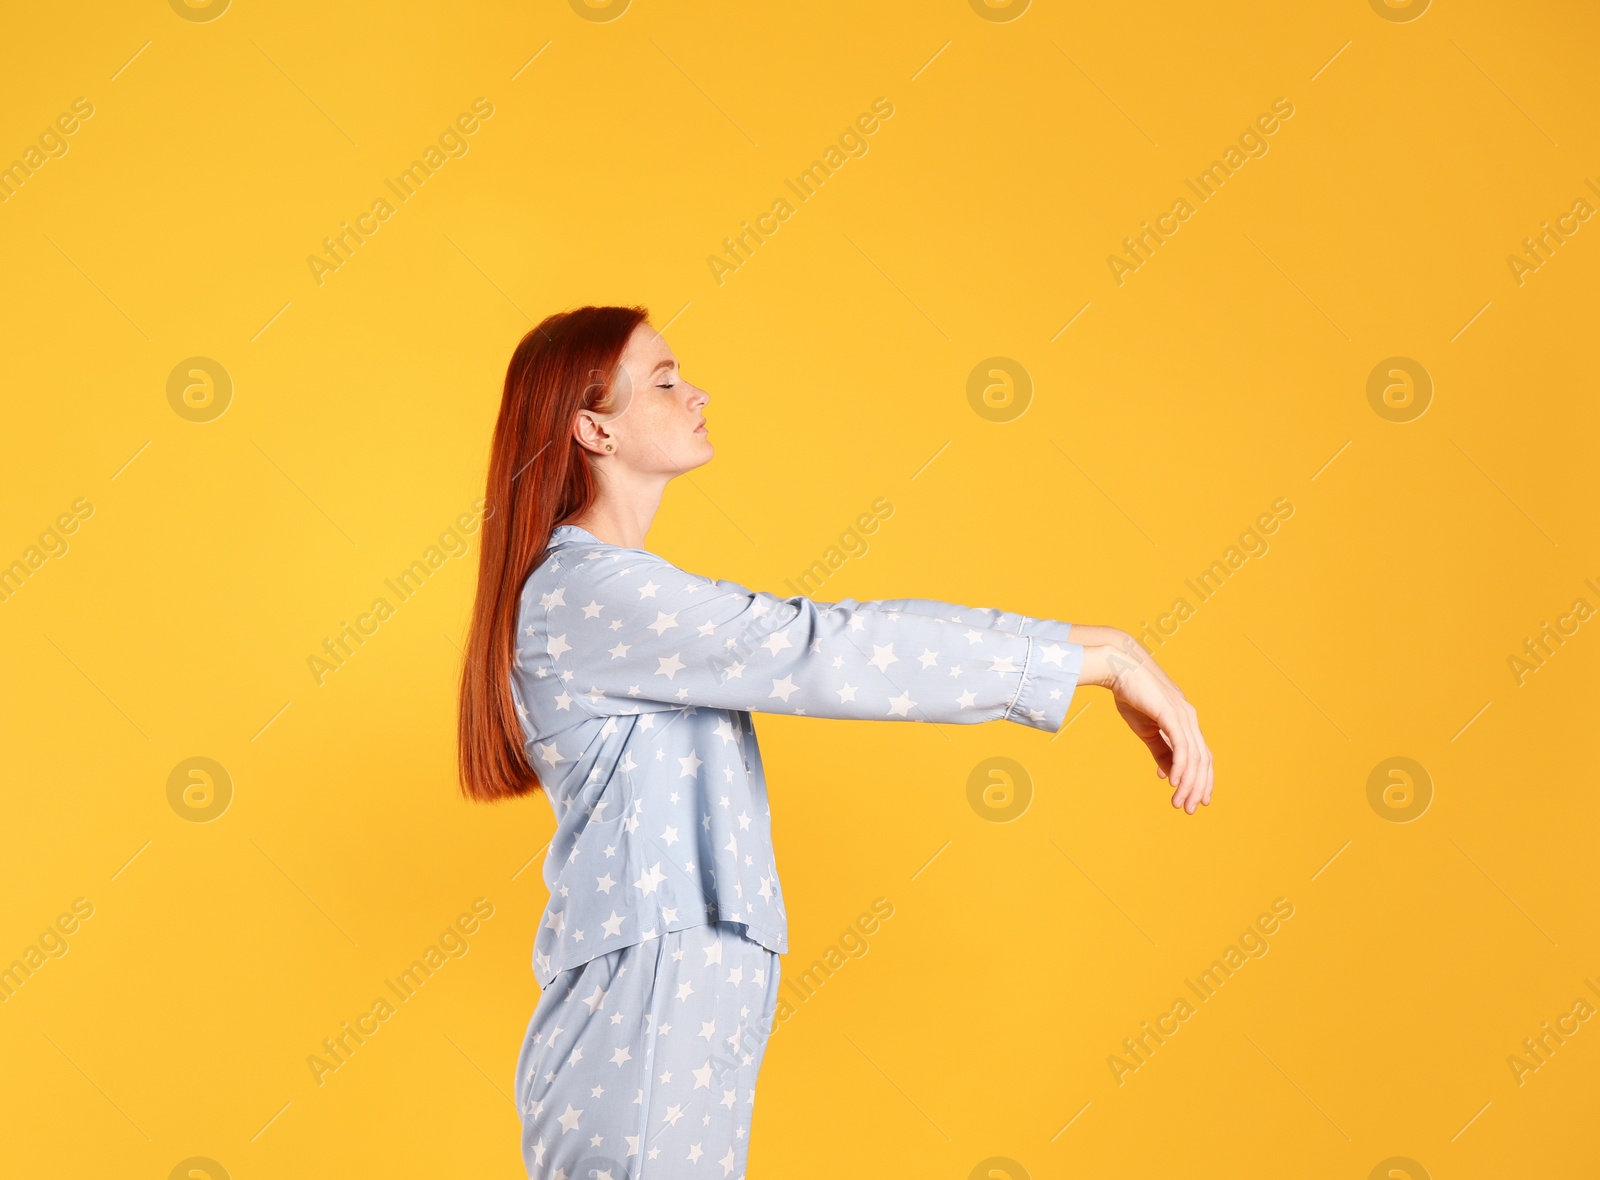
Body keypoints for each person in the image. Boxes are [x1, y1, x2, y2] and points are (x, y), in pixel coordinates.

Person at [457, 305, 1214, 1178]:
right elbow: (825, 650)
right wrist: (1103, 656)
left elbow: (825, 648)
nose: (698, 392)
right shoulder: (587, 594)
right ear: (594, 428)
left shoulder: (618, 592)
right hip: (643, 1001)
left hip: (679, 989)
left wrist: (1093, 656)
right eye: (664, 381)